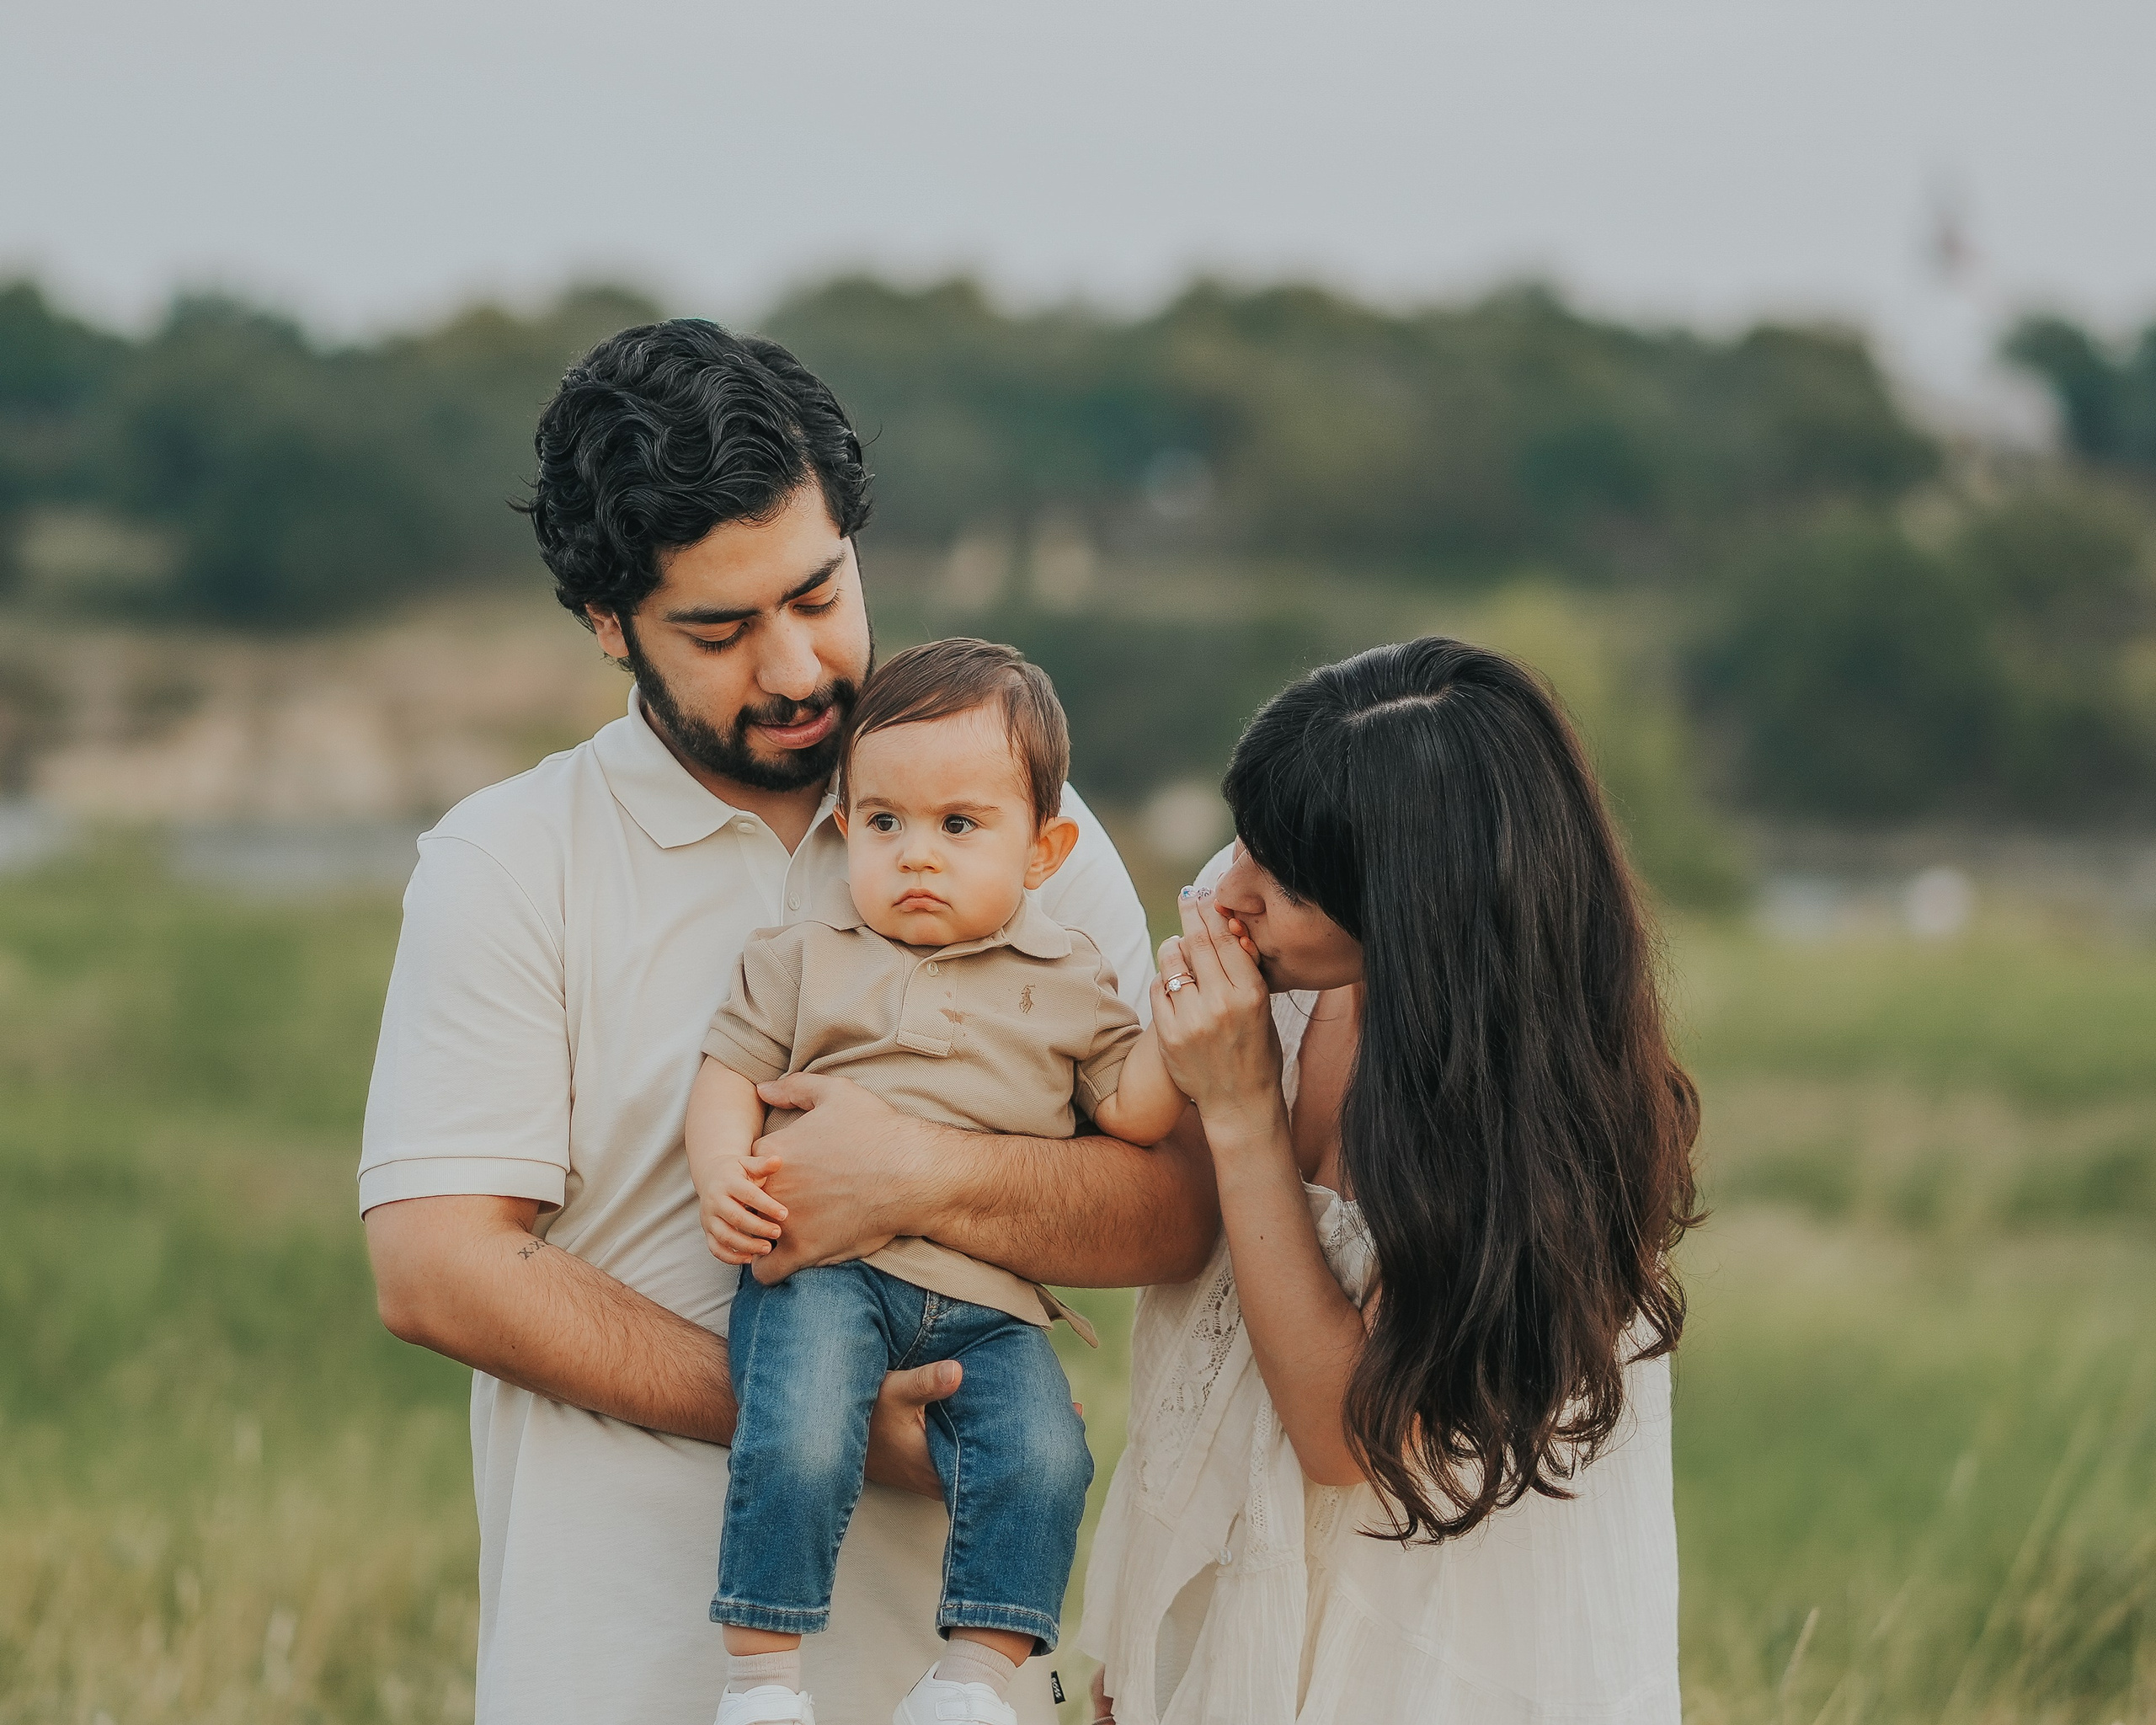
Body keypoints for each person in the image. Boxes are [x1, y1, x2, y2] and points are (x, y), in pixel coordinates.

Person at [357, 320, 1219, 1725]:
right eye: (720, 628)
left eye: (819, 592)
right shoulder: (508, 861)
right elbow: (438, 1269)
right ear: (605, 622)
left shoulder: (1017, 830)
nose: (799, 665)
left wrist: (928, 1174)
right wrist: (809, 1417)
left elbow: (1179, 1211)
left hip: (962, 1686)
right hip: (623, 1677)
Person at [1081, 637, 1702, 1725]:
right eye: (1246, 840)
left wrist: (1240, 1112)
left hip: (1420, 1655)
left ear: (1412, 916)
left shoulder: (1514, 1114)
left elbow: (1343, 1438)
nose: (1232, 890)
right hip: (1250, 1629)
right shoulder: (1279, 956)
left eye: (1282, 876)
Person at [691, 638, 1188, 1725]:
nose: (917, 856)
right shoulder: (805, 956)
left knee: (1049, 1459)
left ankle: (974, 1676)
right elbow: (727, 1071)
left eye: (960, 827)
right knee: (800, 1427)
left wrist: (1190, 1019)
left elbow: (1137, 1106)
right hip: (829, 1275)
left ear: (1043, 849)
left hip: (995, 1310)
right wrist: (724, 1168)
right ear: (845, 830)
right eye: (884, 824)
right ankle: (762, 1680)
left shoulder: (1069, 977)